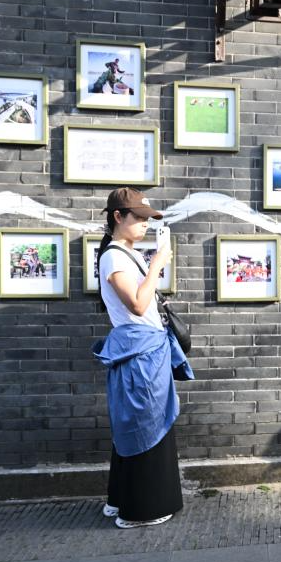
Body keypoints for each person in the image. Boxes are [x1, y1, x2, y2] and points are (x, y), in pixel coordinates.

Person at [92, 187, 193, 529]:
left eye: (148, 219)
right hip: (139, 353)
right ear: (118, 216)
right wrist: (156, 267)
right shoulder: (113, 256)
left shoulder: (124, 253)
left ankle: (121, 499)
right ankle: (140, 510)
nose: (146, 224)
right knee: (145, 423)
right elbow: (136, 305)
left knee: (138, 422)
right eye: (139, 218)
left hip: (146, 349)